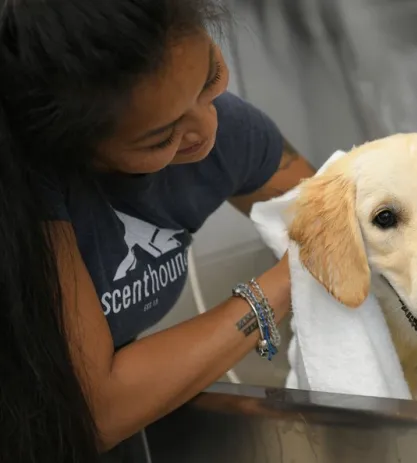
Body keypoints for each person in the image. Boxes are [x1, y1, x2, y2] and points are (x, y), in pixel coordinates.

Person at [0, 1, 317, 462]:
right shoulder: (28, 192)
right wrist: (285, 283)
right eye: (161, 138)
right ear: (76, 147)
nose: (207, 130)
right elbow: (98, 409)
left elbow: (335, 214)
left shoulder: (228, 131)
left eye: (210, 79)